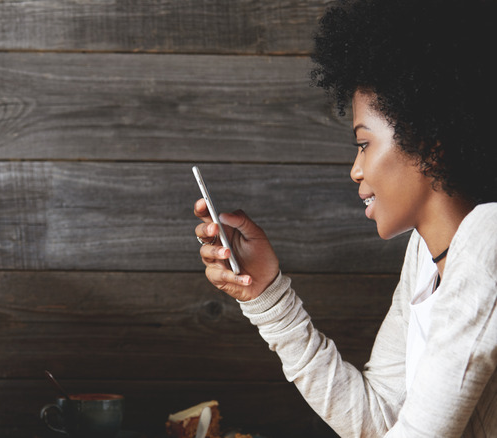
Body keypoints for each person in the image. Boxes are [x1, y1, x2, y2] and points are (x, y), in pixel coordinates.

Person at [194, 0, 497, 436]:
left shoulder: (487, 239)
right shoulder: (423, 256)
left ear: (431, 142)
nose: (356, 170)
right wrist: (268, 297)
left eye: (363, 144)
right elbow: (379, 418)